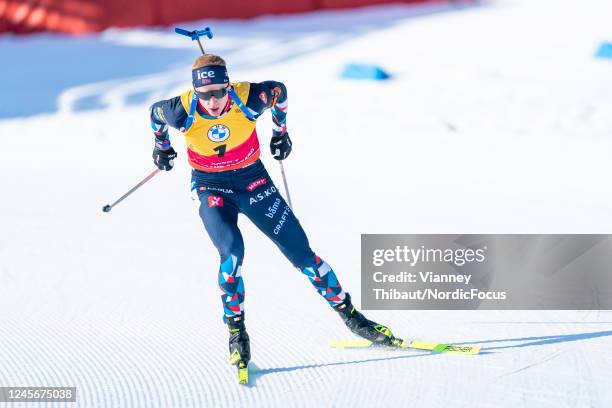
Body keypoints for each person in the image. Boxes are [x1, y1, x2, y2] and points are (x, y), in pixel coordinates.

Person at [148, 54, 398, 371]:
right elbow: (154, 114)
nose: (212, 101)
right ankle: (237, 335)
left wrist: (280, 132)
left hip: (253, 180)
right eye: (205, 94)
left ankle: (352, 318)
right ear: (195, 92)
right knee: (232, 253)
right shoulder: (181, 109)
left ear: (228, 85)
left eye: (218, 92)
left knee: (303, 256)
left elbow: (279, 91)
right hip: (211, 186)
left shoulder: (248, 97)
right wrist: (162, 146)